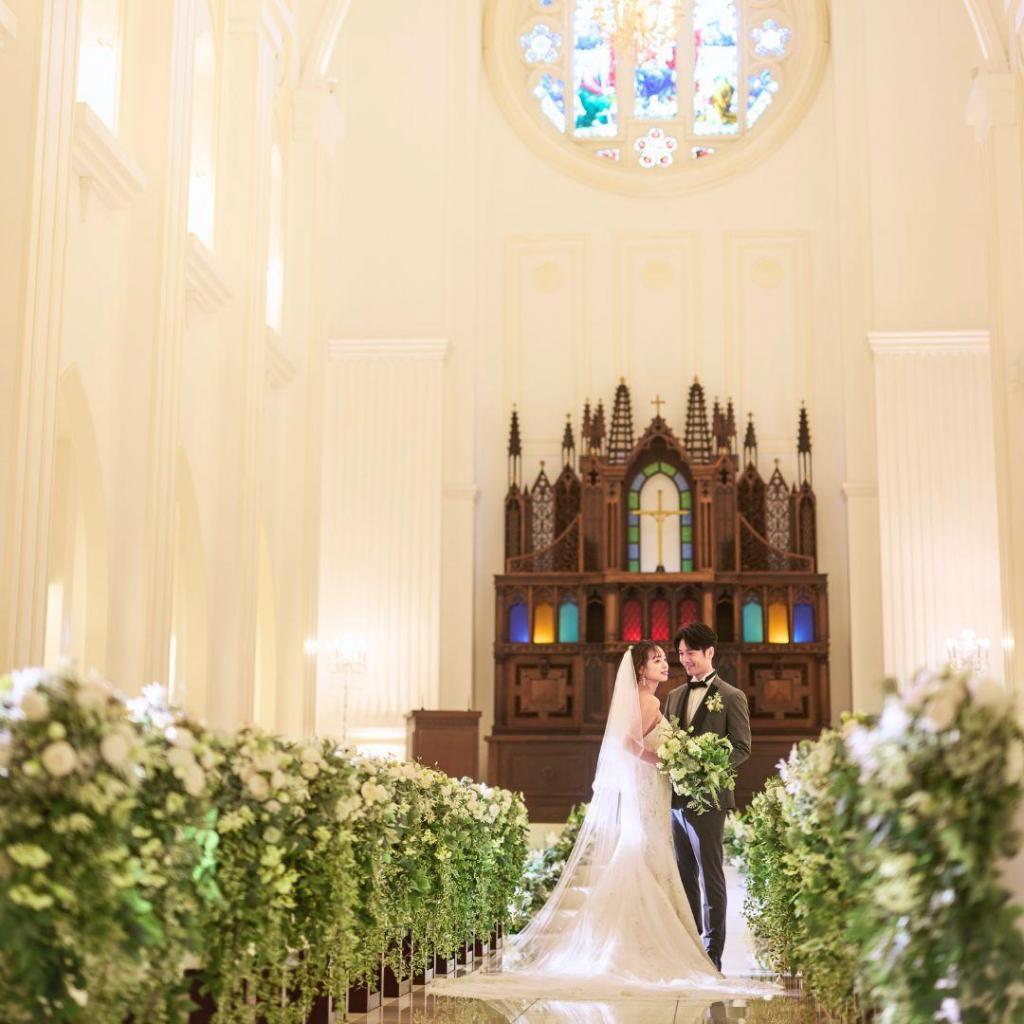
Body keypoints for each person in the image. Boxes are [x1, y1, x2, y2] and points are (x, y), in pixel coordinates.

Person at [431, 643, 773, 1001]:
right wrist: (663, 760)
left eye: (665, 658)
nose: (666, 664)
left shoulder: (664, 699)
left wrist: (678, 761)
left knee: (651, 859)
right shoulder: (654, 702)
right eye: (658, 660)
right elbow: (627, 743)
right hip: (649, 791)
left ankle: (646, 946)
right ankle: (646, 949)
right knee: (648, 858)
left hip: (659, 794)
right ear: (640, 670)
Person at [665, 622, 751, 971]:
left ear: (710, 652)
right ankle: (690, 949)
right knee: (684, 876)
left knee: (710, 875)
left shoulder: (731, 696)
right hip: (675, 802)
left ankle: (713, 956)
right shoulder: (672, 697)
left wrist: (707, 768)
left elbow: (743, 747)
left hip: (711, 799)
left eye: (691, 653)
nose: (685, 660)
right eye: (681, 654)